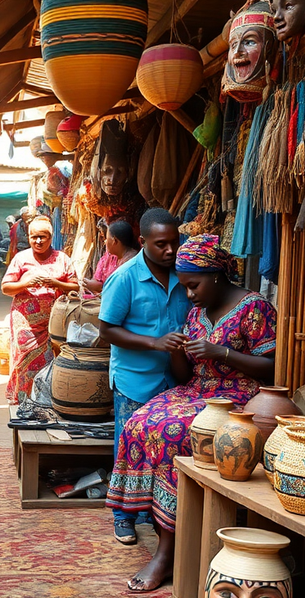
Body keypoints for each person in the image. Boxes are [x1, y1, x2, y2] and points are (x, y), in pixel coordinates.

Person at [106, 234, 277, 592]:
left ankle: (167, 551)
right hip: (197, 391)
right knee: (138, 422)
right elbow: (185, 376)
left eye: (193, 285)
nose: (189, 295)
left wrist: (221, 353)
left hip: (240, 398)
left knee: (172, 431)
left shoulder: (254, 307)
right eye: (184, 287)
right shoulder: (198, 311)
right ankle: (159, 524)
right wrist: (174, 351)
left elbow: (274, 368)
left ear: (216, 275)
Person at [98, 209, 192, 546]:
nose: (170, 251)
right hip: (135, 379)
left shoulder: (183, 275)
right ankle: (123, 517)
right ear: (142, 243)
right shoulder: (124, 278)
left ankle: (154, 513)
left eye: (174, 243)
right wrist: (154, 342)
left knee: (163, 451)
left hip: (175, 379)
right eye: (161, 244)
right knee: (129, 448)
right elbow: (107, 329)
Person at [1, 216, 78, 403]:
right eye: (34, 237)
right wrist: (25, 283)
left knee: (54, 359)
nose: (38, 241)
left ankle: (47, 399)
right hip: (26, 321)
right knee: (24, 359)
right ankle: (23, 398)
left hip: (55, 321)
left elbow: (75, 286)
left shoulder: (62, 259)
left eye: (42, 237)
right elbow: (5, 287)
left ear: (50, 238)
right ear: (28, 237)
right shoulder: (21, 258)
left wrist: (56, 283)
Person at [87, 219, 141, 293]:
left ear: (115, 241)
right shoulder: (116, 258)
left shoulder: (130, 263)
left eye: (107, 238)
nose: (105, 242)